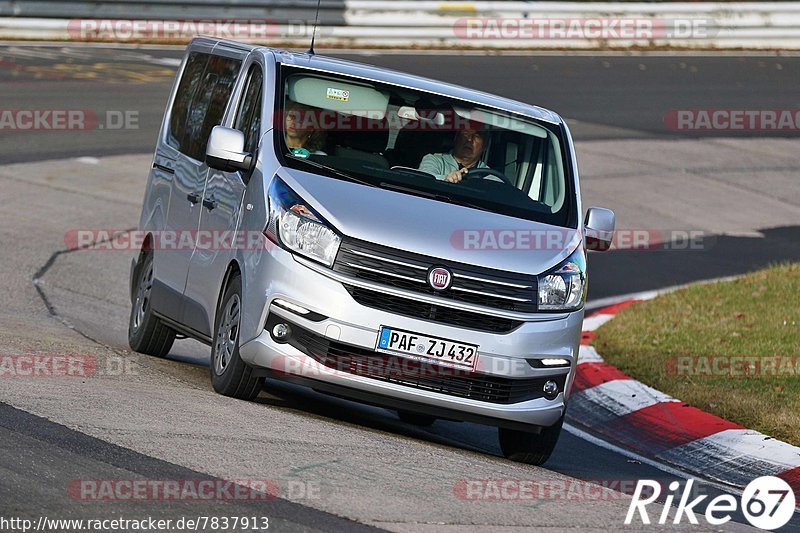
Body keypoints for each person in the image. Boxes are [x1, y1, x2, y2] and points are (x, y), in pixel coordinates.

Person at [418, 127, 489, 183]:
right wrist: (446, 179)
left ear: (484, 146)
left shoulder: (488, 174)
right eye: (466, 133)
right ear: (456, 138)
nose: (469, 139)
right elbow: (423, 181)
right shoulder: (433, 159)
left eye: (477, 135)